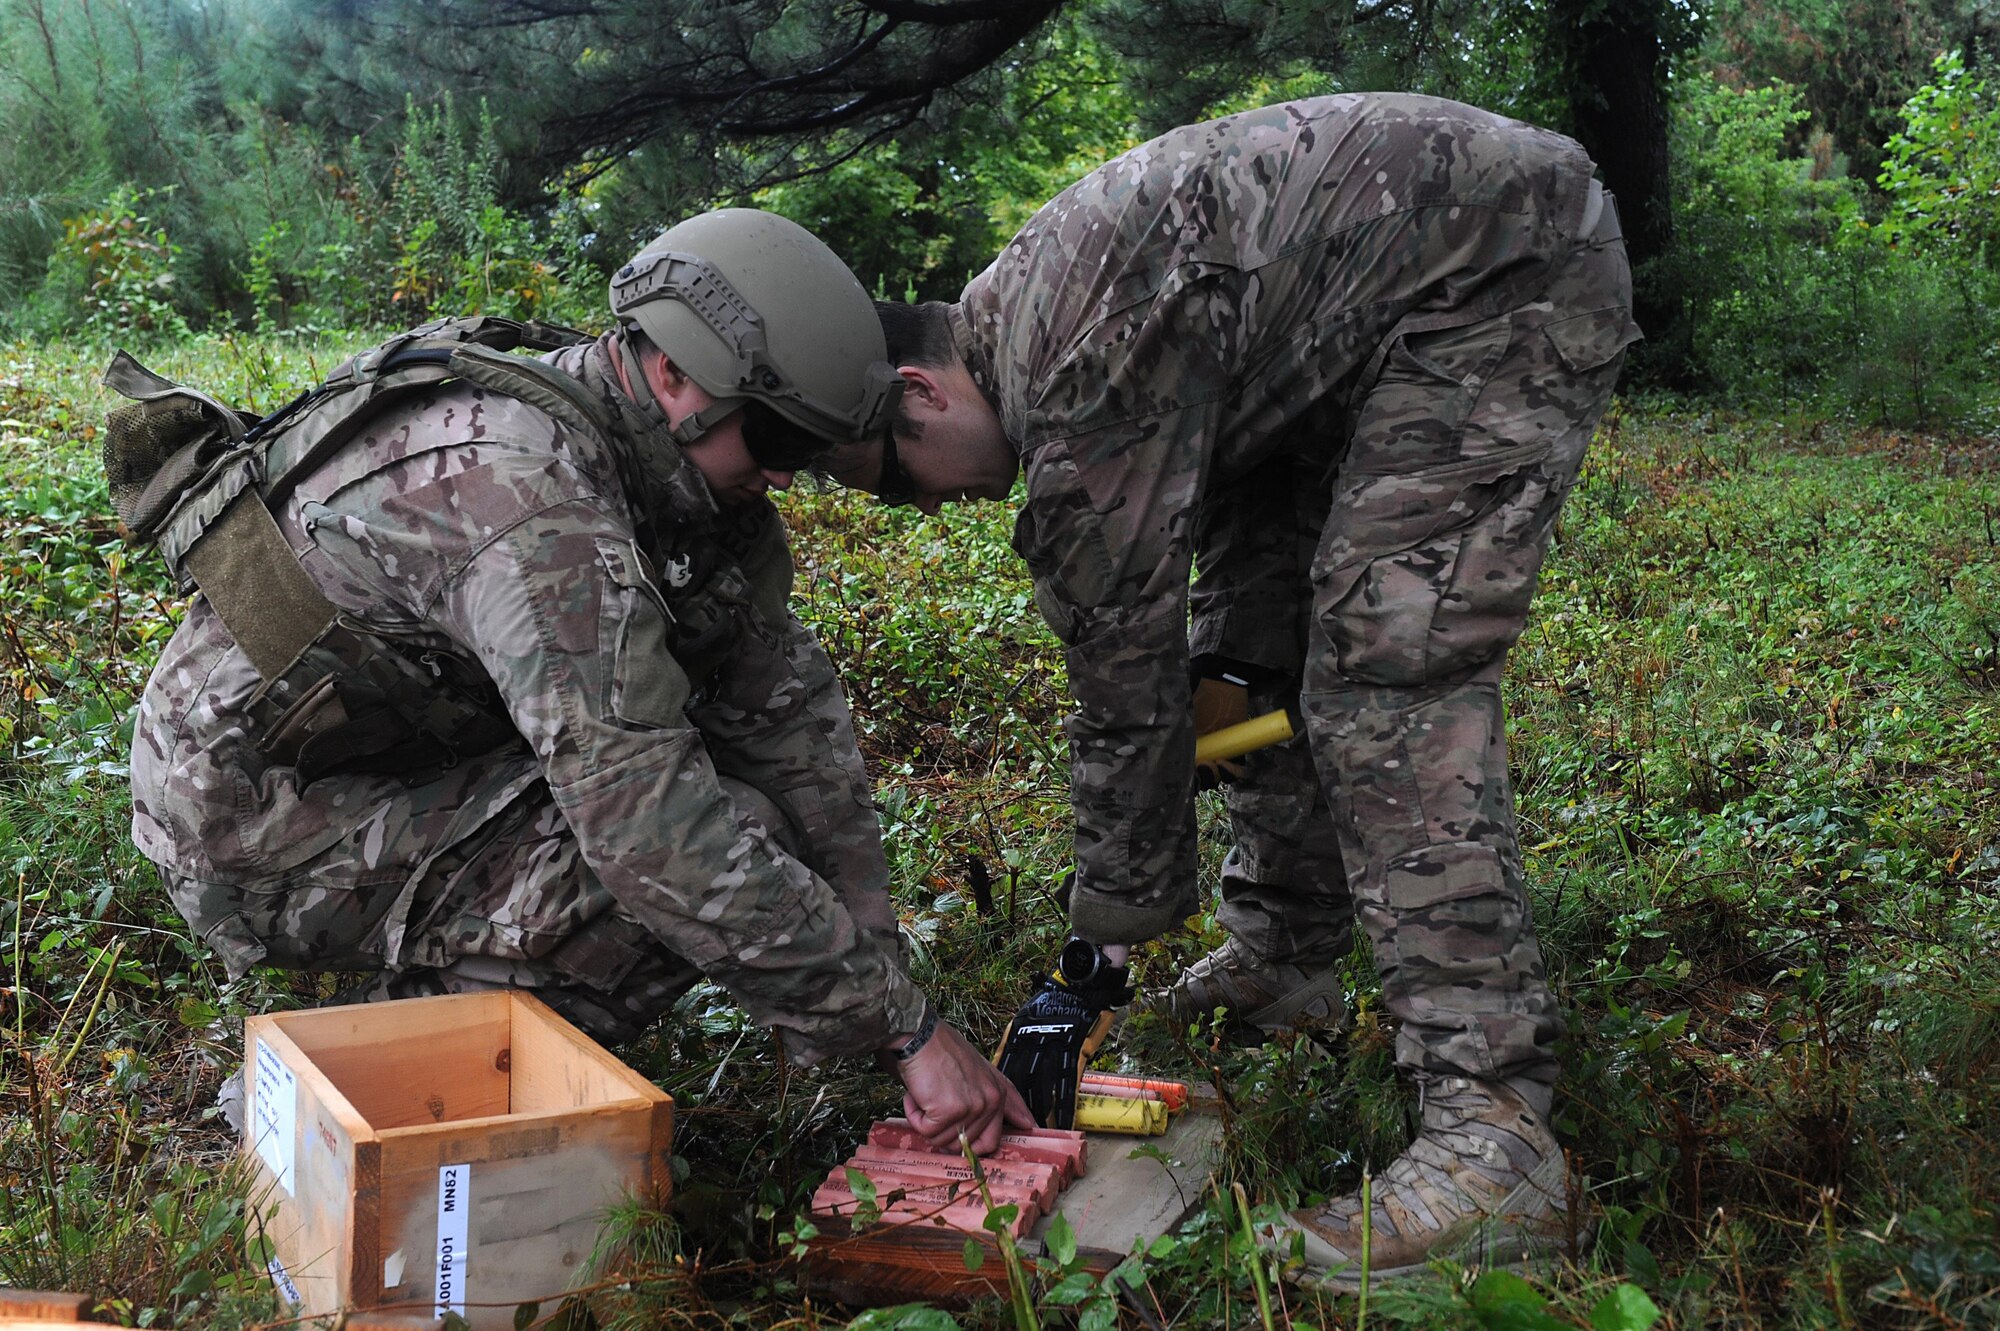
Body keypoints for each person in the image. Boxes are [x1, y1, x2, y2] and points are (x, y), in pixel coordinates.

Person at [830, 95, 1639, 1279]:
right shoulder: (1042, 330)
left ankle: (1492, 1130)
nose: (933, 509)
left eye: (897, 484)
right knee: (1245, 654)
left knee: (1385, 676)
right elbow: (1193, 671)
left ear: (921, 390)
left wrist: (1095, 954)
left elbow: (1121, 685)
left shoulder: (1068, 365)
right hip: (1349, 324)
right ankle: (1285, 949)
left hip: (1496, 271)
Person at [114, 208, 1031, 1152]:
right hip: (261, 810)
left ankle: (428, 1008)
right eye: (776, 440)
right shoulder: (533, 504)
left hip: (403, 748)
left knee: (757, 810)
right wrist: (904, 1028)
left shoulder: (668, 455)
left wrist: (883, 987)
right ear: (676, 375)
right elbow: (648, 831)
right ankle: (352, 1092)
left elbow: (789, 722)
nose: (788, 479)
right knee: (684, 852)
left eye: (808, 448)